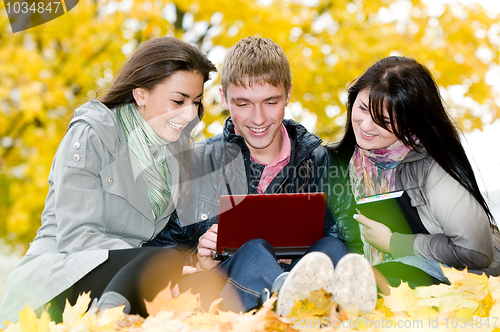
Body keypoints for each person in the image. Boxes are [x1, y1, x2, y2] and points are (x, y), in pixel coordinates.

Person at [147, 36, 377, 316]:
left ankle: (330, 306)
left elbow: (355, 244)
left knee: (331, 246)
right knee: (253, 248)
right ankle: (282, 299)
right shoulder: (192, 165)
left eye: (270, 102)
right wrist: (199, 259)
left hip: (321, 294)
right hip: (229, 298)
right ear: (223, 97)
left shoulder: (325, 164)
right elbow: (156, 256)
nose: (258, 119)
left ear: (288, 94)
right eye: (243, 104)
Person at [0, 37, 219, 326]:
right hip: (58, 279)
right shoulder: (92, 134)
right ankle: (106, 322)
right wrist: (159, 265)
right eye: (178, 100)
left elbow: (166, 240)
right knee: (161, 262)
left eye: (195, 102)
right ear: (140, 94)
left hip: (128, 276)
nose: (190, 113)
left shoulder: (175, 156)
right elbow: (76, 236)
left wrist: (195, 262)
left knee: (200, 281)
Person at [327, 55, 500, 288]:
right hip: (385, 271)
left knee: (374, 281)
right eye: (363, 108)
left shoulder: (432, 168)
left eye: (385, 120)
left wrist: (394, 243)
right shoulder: (342, 162)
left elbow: (477, 252)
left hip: (455, 276)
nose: (366, 126)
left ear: (411, 123)